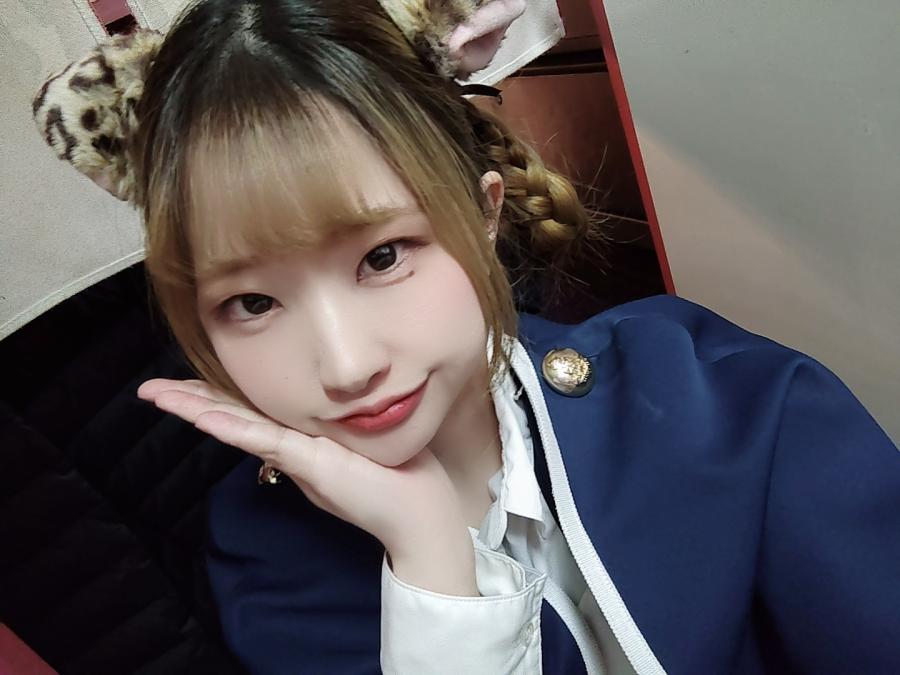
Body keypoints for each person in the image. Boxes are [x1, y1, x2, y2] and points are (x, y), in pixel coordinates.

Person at [32, 1, 900, 673]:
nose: (347, 365)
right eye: (252, 302)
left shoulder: (712, 391)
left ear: (483, 214)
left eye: (382, 256)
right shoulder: (265, 554)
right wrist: (430, 562)